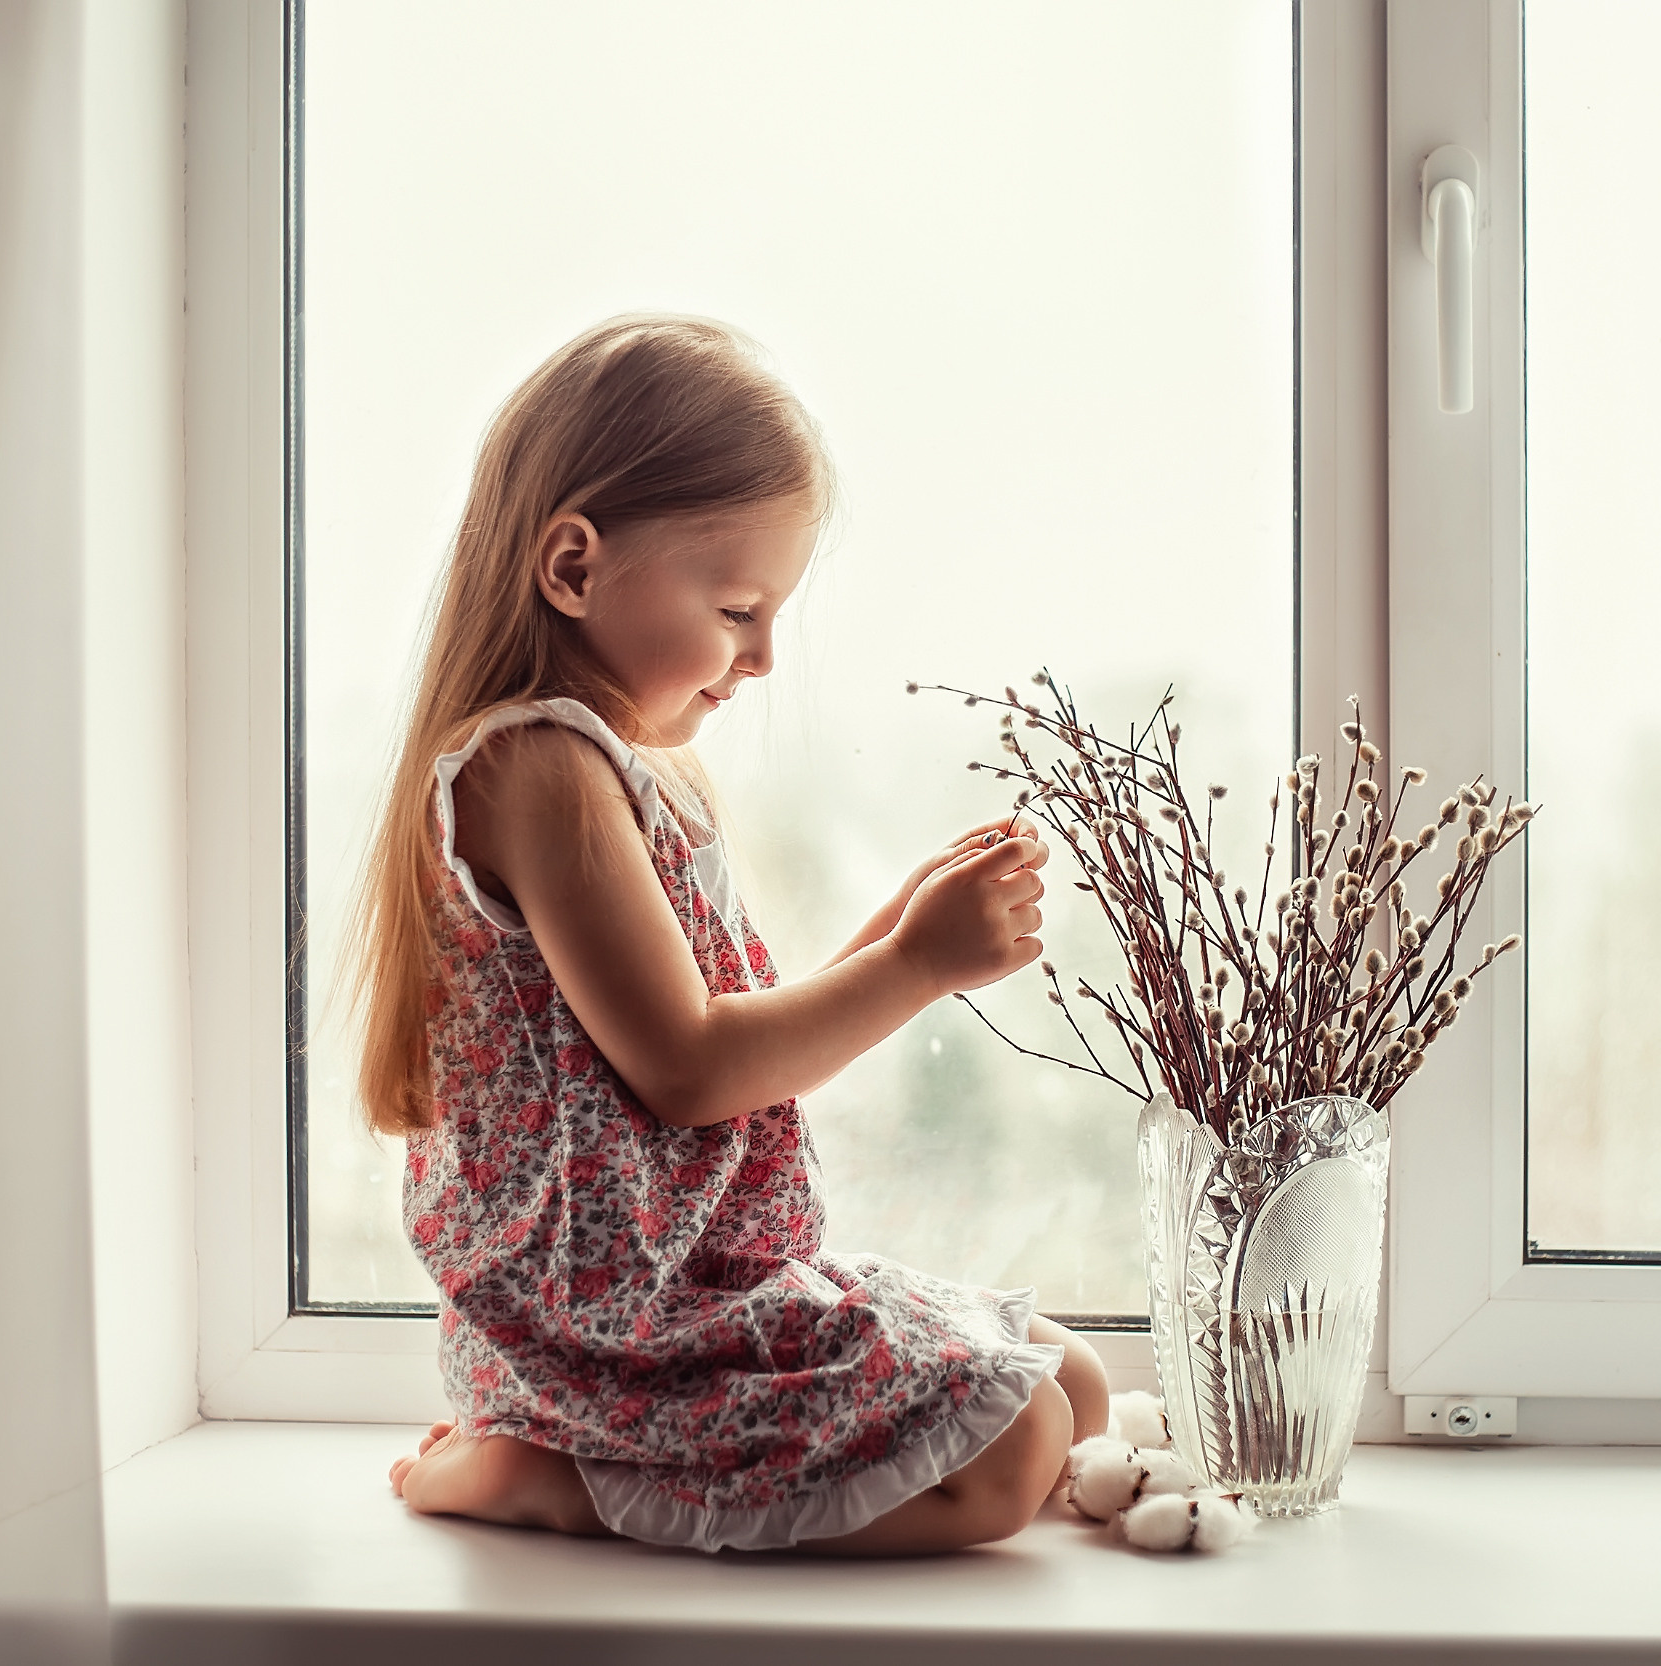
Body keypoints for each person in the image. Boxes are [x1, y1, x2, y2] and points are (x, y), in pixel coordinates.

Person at [356, 315, 1109, 1555]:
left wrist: (900, 927)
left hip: (700, 1282)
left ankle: (559, 1457)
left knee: (1070, 1384)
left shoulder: (627, 774)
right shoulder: (535, 768)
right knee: (1013, 1451)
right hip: (613, 1323)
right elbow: (692, 1067)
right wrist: (915, 964)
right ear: (573, 566)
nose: (761, 657)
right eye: (737, 607)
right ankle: (550, 1473)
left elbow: (717, 1035)